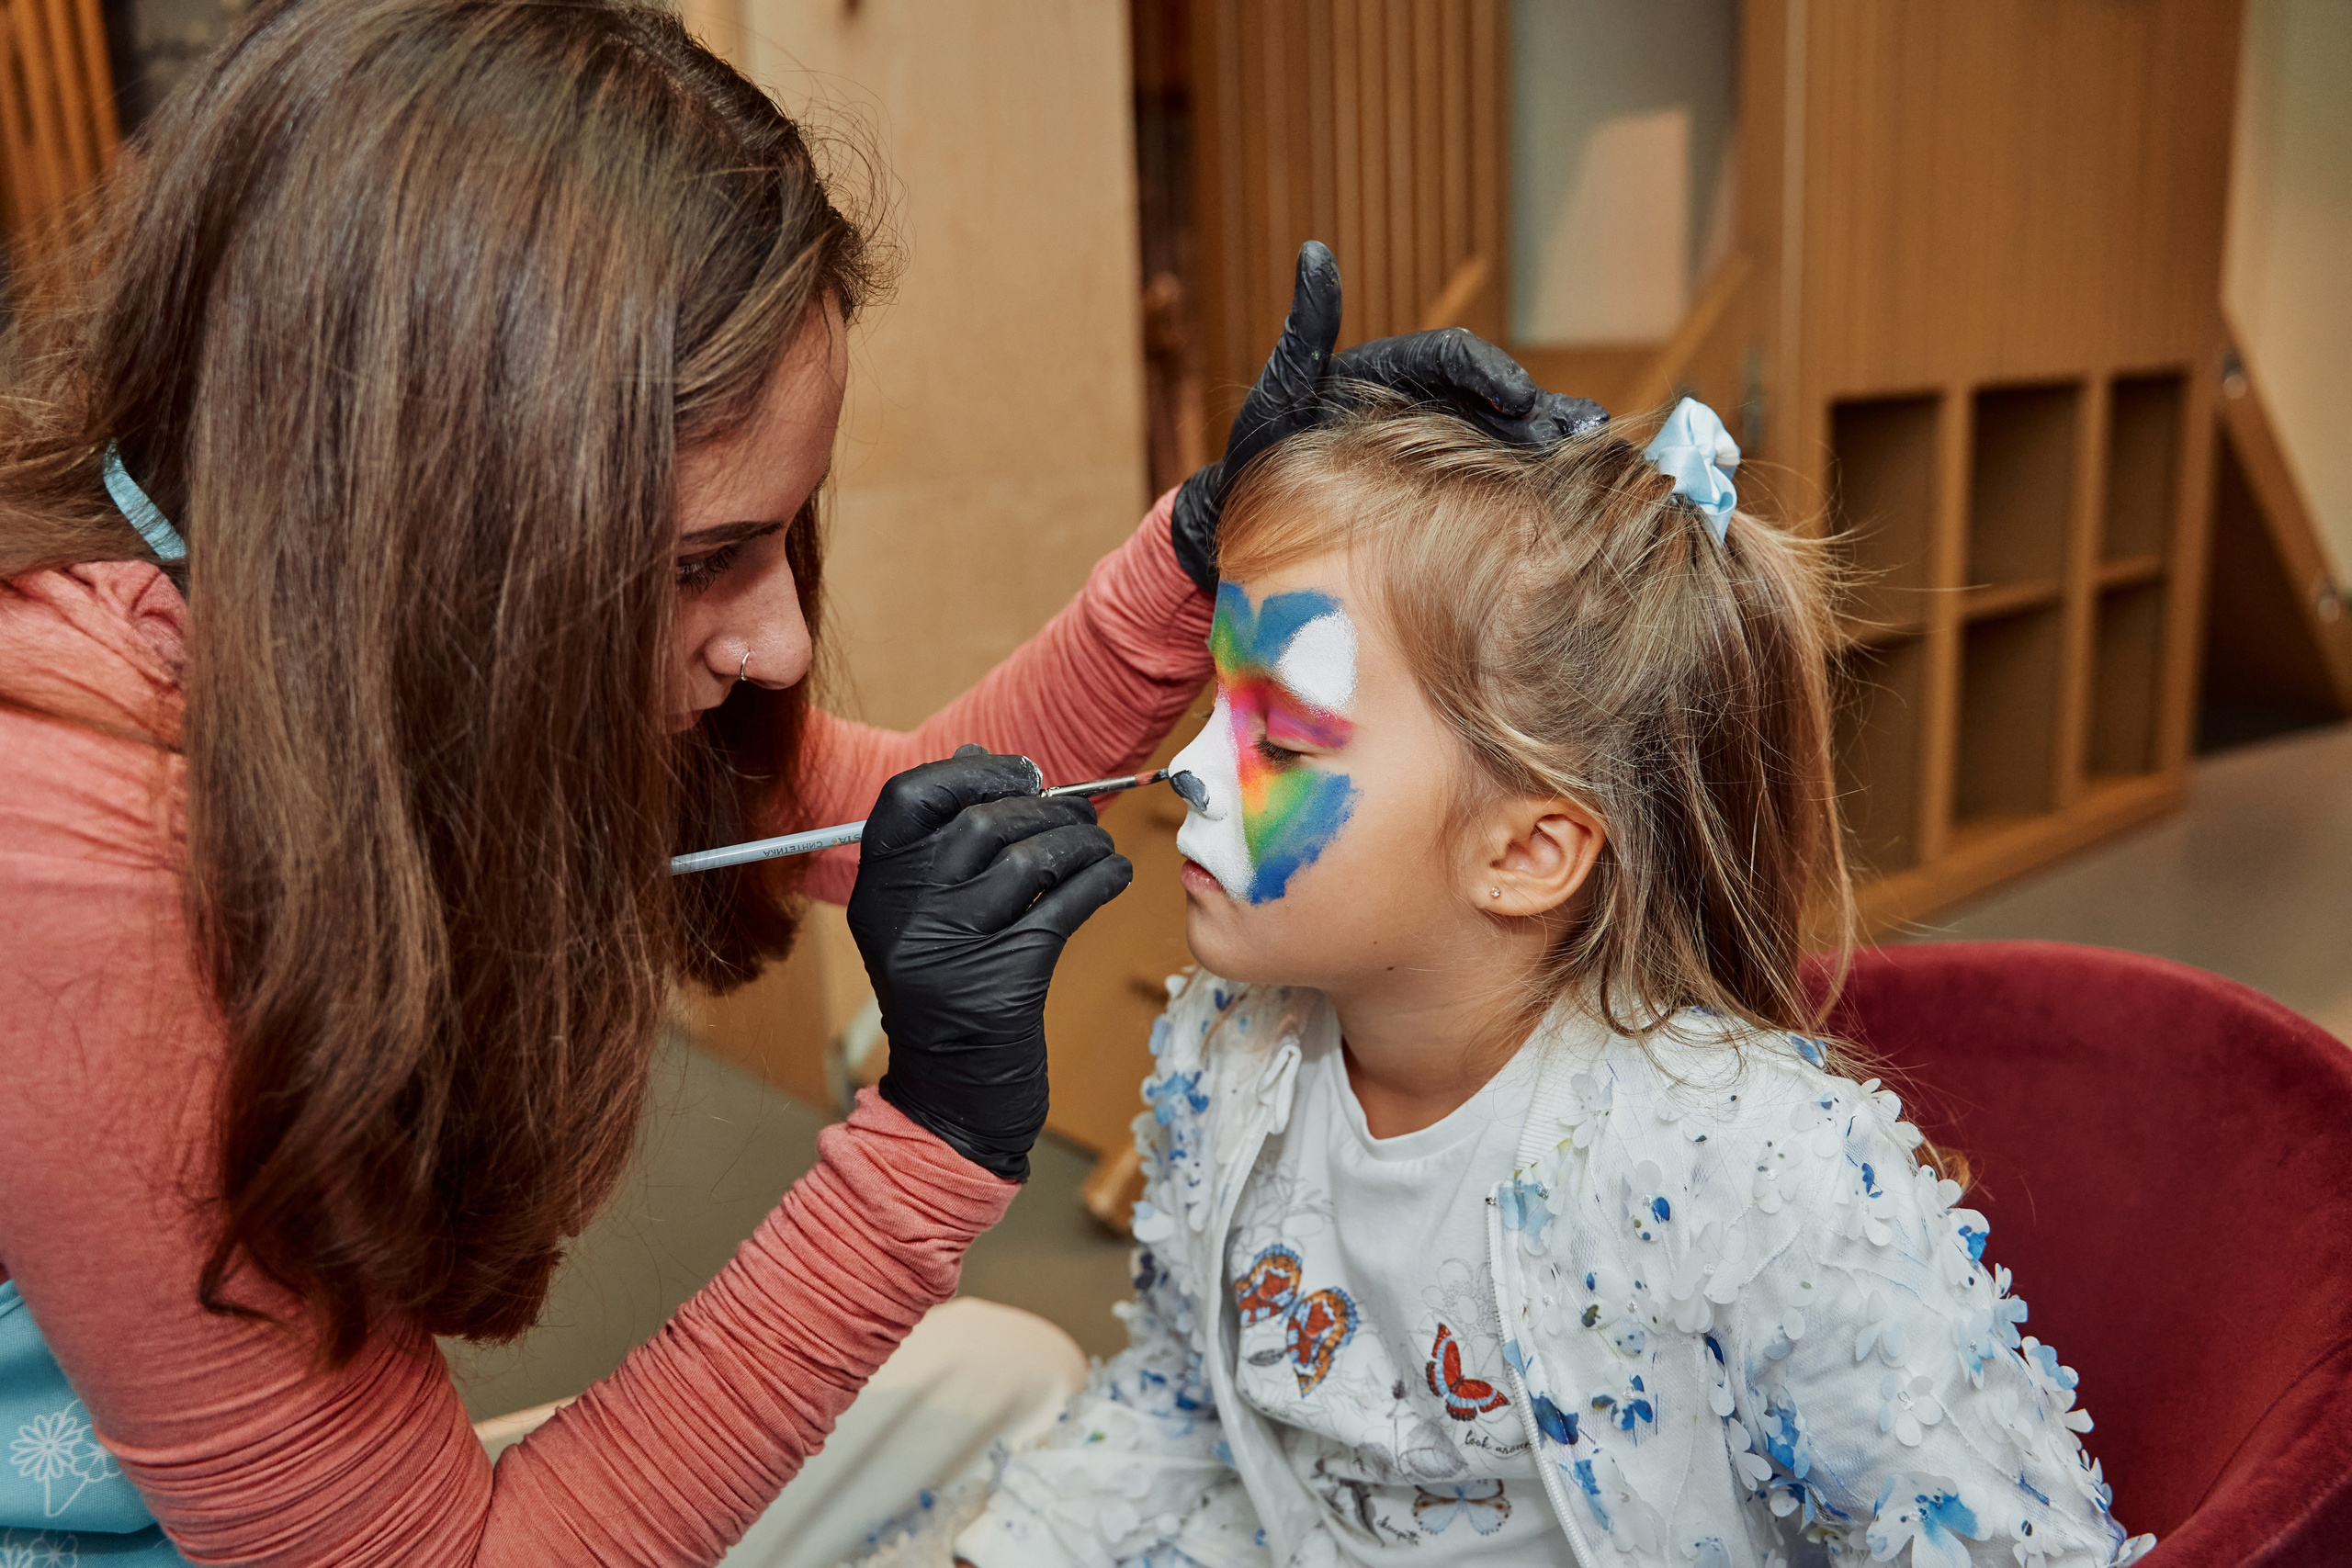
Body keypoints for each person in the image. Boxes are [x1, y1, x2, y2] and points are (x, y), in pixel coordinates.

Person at [0, 1, 1588, 1562]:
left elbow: (904, 795)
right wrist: (931, 1140)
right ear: (446, 525)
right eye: (703, 561)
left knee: (1013, 1378)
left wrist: (1196, 546)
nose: (772, 640)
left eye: (777, 537)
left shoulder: (330, 627)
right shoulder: (71, 855)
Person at [953, 395, 2155, 1566]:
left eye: (1280, 738)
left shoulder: (1748, 1174)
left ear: (1525, 853)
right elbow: (1182, 1388)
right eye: (1221, 697)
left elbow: (2008, 1543)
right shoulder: (1225, 1050)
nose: (1190, 774)